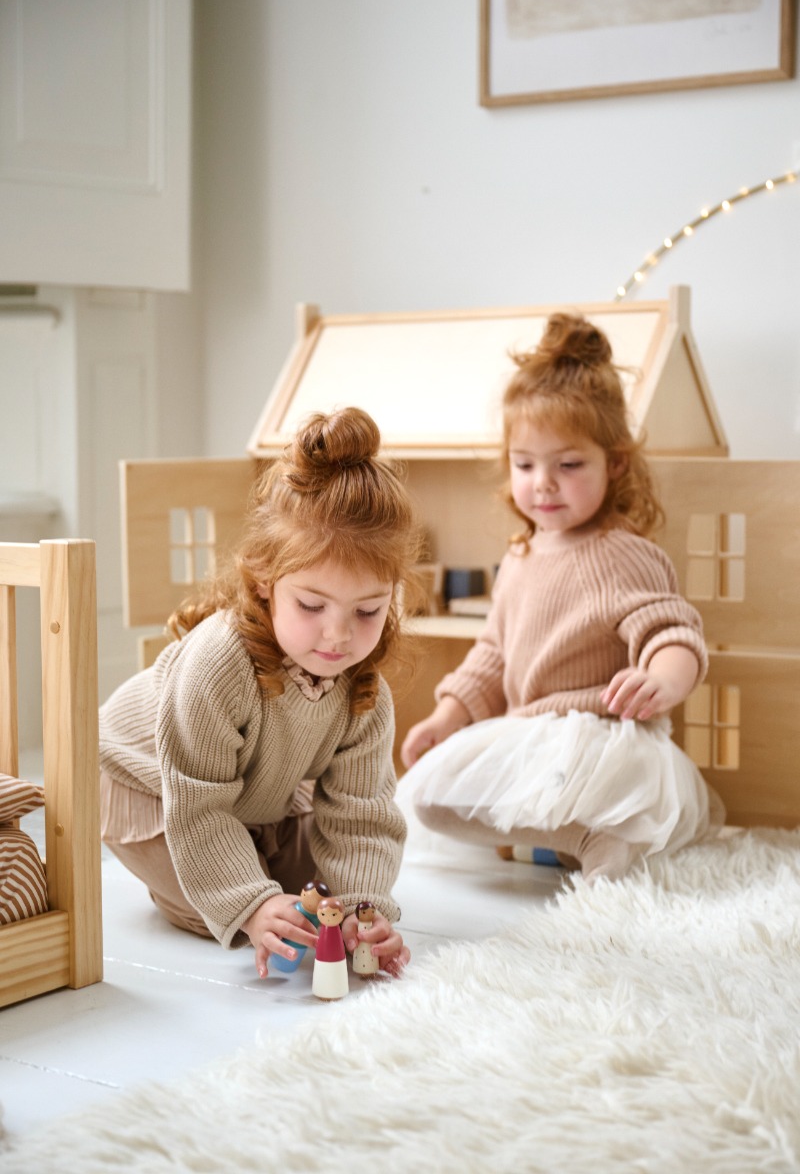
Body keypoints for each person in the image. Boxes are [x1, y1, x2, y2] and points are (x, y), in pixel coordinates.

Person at [398, 313, 724, 884]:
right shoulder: (522, 557)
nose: (543, 483)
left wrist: (664, 680)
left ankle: (592, 836)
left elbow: (671, 632)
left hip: (600, 735)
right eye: (525, 465)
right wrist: (447, 717)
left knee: (594, 794)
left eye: (568, 465)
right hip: (529, 733)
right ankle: (565, 839)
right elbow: (493, 656)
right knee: (425, 799)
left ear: (615, 462)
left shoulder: (619, 553)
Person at [100, 406, 423, 976]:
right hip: (146, 782)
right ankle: (206, 883)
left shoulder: (362, 689)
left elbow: (361, 813)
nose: (338, 634)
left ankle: (255, 865)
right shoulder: (217, 664)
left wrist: (360, 911)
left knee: (316, 905)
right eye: (311, 605)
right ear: (266, 584)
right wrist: (251, 903)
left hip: (255, 794)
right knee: (232, 914)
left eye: (368, 610)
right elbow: (197, 805)